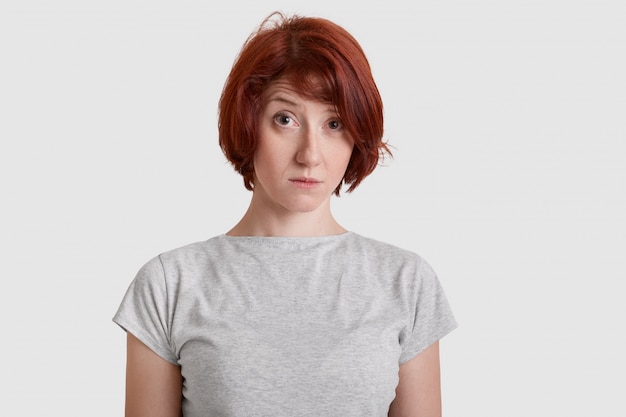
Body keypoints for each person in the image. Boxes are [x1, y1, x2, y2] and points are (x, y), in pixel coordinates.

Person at [113, 11, 457, 417]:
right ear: (247, 122)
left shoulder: (406, 282)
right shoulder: (170, 284)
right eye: (286, 119)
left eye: (334, 122)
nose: (310, 154)